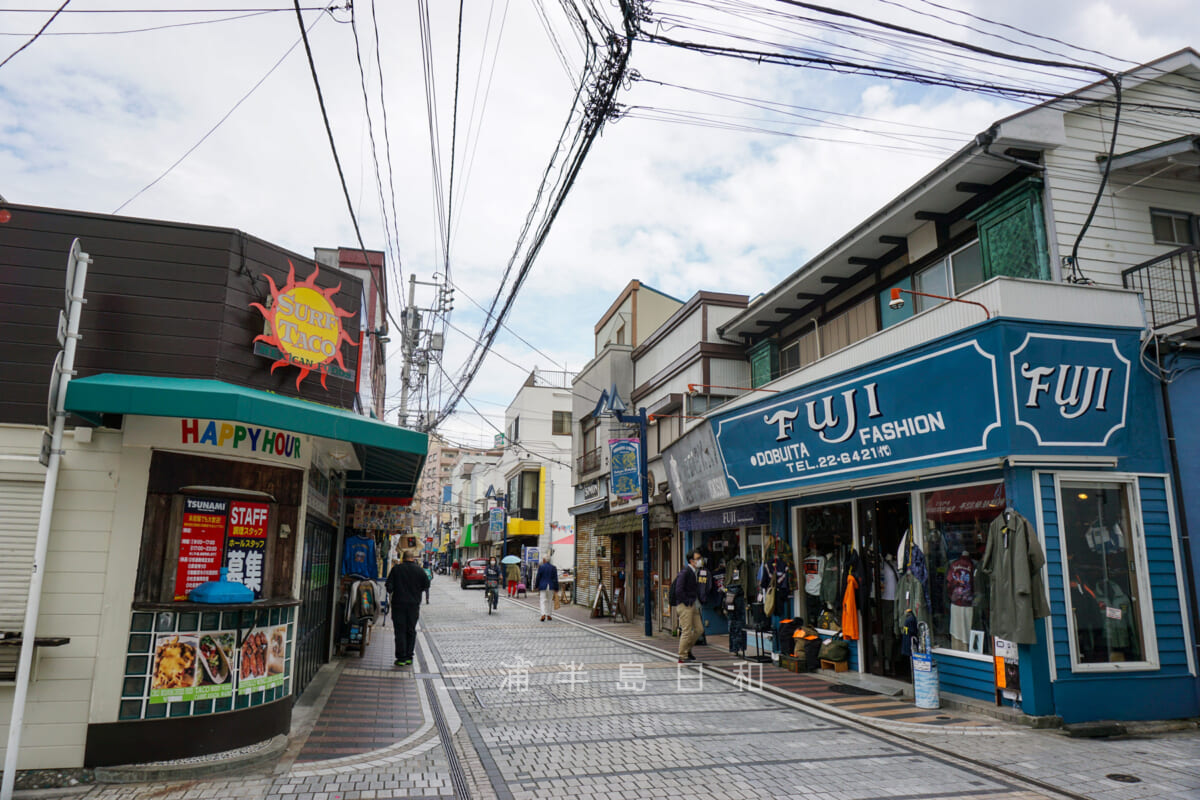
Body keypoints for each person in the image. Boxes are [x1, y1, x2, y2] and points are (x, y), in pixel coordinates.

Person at [385, 549, 431, 667]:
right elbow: (427, 585)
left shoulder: (396, 569)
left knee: (400, 630)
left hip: (398, 604)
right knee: (411, 630)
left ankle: (401, 658)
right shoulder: (419, 570)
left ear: (403, 558)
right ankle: (409, 657)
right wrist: (417, 590)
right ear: (413, 558)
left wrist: (394, 589)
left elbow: (389, 586)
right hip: (413, 605)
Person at [672, 550, 703, 663]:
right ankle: (682, 655)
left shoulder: (695, 572)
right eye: (697, 559)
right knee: (686, 631)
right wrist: (687, 601)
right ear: (691, 561)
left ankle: (687, 649)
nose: (700, 560)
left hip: (693, 604)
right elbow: (678, 590)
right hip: (685, 605)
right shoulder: (685, 572)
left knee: (699, 629)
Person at [535, 554, 559, 622]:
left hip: (543, 586)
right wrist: (556, 588)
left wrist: (536, 586)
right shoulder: (553, 567)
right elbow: (555, 578)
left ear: (544, 560)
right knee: (550, 600)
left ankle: (543, 614)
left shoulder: (541, 567)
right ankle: (549, 615)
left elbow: (538, 577)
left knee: (542, 600)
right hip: (551, 585)